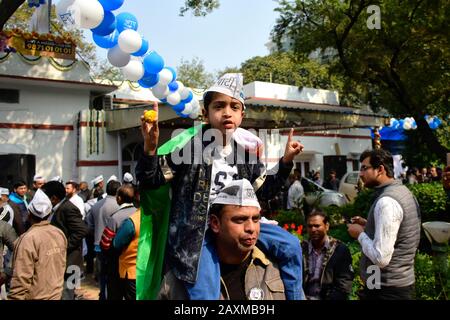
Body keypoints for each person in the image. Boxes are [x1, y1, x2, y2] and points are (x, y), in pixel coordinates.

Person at [137, 73, 305, 300]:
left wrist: (285, 162)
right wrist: (149, 149)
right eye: (219, 106)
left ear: (241, 115)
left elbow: (265, 192)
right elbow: (151, 181)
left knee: (291, 245)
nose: (227, 112)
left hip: (240, 225)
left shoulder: (246, 157)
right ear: (205, 113)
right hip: (199, 234)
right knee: (205, 293)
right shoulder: (188, 150)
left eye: (234, 107)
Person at [159, 179, 288, 300]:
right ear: (215, 223)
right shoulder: (183, 276)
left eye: (255, 219)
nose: (251, 228)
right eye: (240, 220)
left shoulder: (275, 269)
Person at [347, 149, 421, 300]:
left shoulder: (387, 201)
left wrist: (359, 234)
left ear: (380, 169)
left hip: (386, 289)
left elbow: (381, 258)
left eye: (364, 168)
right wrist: (368, 225)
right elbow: (397, 232)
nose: (360, 174)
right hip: (390, 284)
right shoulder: (402, 191)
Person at [8, 189, 67, 300]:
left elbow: (21, 278)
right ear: (49, 213)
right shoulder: (59, 233)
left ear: (29, 214)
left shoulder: (28, 239)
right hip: (56, 295)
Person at [42, 181, 89, 300]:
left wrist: (62, 247)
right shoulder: (58, 208)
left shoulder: (68, 208)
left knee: (67, 294)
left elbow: (81, 230)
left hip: (70, 262)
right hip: (61, 262)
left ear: (53, 198)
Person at [302, 210, 353, 300]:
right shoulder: (301, 249)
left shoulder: (340, 250)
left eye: (317, 226)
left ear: (327, 226)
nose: (313, 229)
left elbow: (344, 285)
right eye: (310, 226)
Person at [85, 179, 121, 300]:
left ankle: (103, 294)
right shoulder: (119, 206)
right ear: (118, 191)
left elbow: (89, 225)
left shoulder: (95, 205)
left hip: (98, 245)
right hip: (114, 246)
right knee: (113, 273)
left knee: (102, 274)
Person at [100, 184, 137, 300]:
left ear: (119, 198)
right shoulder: (139, 213)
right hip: (137, 265)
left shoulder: (115, 218)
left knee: (115, 295)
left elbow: (105, 244)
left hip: (117, 265)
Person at [112, 209, 141, 300]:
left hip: (132, 271)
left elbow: (116, 243)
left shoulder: (133, 221)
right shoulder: (160, 217)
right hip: (152, 271)